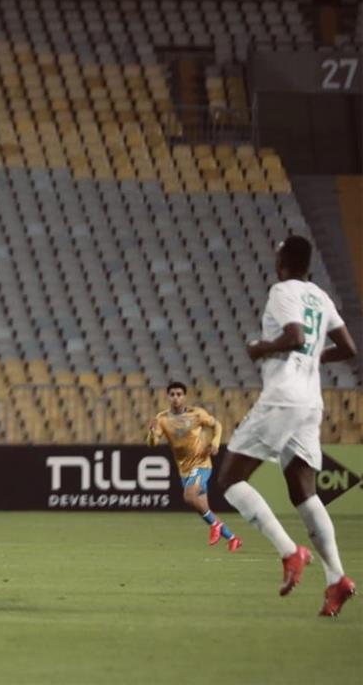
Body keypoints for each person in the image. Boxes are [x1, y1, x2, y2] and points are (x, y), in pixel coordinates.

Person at [216, 235, 357, 617]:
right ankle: (336, 579)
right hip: (310, 400)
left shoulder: (282, 291)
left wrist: (260, 348)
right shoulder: (320, 297)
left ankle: (290, 551)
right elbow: (348, 348)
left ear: (283, 262)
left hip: (283, 397)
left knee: (229, 480)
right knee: (303, 492)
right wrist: (313, 359)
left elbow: (294, 337)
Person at [147, 381, 240, 551]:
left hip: (201, 463)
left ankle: (216, 526)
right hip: (184, 469)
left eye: (179, 394)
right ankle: (232, 538)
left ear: (184, 396)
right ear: (168, 397)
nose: (175, 398)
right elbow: (153, 444)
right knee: (203, 509)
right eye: (172, 394)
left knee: (189, 497)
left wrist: (215, 443)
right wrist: (152, 433)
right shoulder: (162, 419)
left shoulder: (196, 414)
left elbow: (217, 425)